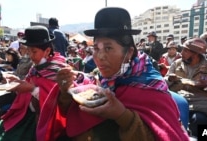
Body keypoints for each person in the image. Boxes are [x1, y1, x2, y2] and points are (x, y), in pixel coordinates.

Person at [56, 7, 189, 141]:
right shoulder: (95, 79)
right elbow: (71, 113)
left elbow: (162, 135)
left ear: (129, 52)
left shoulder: (150, 86)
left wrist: (122, 115)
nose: (100, 56)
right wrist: (65, 90)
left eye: (108, 48)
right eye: (96, 48)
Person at [0, 25, 68, 141]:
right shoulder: (35, 68)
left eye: (34, 51)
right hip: (27, 113)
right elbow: (26, 84)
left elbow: (59, 102)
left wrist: (32, 89)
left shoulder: (60, 71)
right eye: (28, 51)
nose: (30, 56)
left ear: (47, 51)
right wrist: (14, 80)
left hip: (44, 121)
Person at [164, 38, 207, 137]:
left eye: (185, 51)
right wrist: (169, 79)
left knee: (199, 119)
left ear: (196, 54)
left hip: (201, 102)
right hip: (178, 100)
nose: (181, 53)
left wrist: (206, 85)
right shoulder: (176, 64)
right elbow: (163, 84)